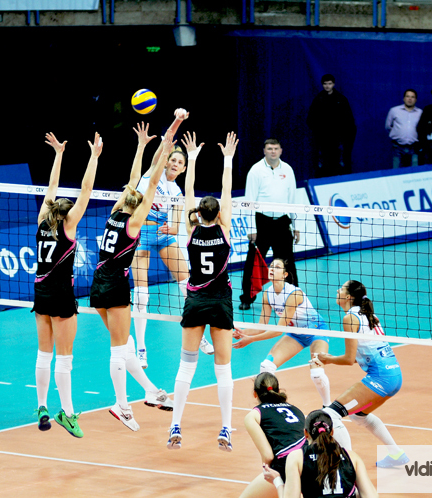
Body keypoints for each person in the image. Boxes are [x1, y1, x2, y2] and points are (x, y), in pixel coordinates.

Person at [90, 119, 180, 431]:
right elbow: (151, 183)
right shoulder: (134, 223)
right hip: (116, 284)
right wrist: (166, 144)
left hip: (98, 282)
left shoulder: (115, 212)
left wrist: (141, 147)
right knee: (119, 348)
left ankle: (151, 391)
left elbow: (134, 182)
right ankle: (122, 405)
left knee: (125, 342)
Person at [167, 131, 237, 451]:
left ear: (198, 213)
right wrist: (227, 159)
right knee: (223, 369)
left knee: (186, 366)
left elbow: (189, 191)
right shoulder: (225, 229)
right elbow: (226, 191)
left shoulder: (191, 230)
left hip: (195, 301)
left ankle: (175, 425)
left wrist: (192, 158)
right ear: (218, 214)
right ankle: (225, 429)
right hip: (220, 302)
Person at [32, 132, 101, 438]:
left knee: (43, 353)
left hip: (40, 291)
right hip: (61, 294)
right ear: (67, 214)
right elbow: (87, 189)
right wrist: (94, 157)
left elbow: (51, 188)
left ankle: (41, 406)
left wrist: (58, 154)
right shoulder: (69, 227)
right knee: (65, 357)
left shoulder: (42, 221)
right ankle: (67, 413)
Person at [132, 113, 213, 369]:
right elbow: (166, 142)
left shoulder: (176, 191)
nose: (176, 164)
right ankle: (141, 348)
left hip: (163, 236)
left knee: (189, 286)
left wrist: (173, 226)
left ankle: (197, 333)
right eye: (173, 160)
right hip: (141, 235)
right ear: (166, 161)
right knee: (141, 295)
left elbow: (178, 223)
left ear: (184, 168)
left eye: (180, 162)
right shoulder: (151, 175)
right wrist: (178, 120)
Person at [312, 280, 408, 468]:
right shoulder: (368, 314)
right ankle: (396, 453)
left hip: (381, 378)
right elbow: (361, 355)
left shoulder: (350, 318)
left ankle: (348, 466)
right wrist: (329, 358)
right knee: (358, 416)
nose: (337, 290)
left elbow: (349, 359)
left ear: (348, 297)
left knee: (330, 414)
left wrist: (327, 359)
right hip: (394, 376)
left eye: (341, 288)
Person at [233, 258, 331, 407]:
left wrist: (251, 339)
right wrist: (242, 333)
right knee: (266, 366)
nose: (272, 268)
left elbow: (279, 330)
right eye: (271, 266)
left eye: (277, 267)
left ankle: (327, 406)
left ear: (285, 274)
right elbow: (261, 326)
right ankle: (271, 406)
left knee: (317, 374)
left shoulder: (293, 294)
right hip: (295, 334)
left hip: (316, 331)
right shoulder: (267, 294)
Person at [239, 139, 299, 311]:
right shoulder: (256, 170)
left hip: (282, 222)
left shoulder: (288, 170)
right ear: (264, 151)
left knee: (288, 263)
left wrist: (296, 226)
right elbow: (249, 200)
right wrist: (251, 229)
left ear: (281, 150)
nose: (273, 151)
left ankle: (293, 296)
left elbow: (293, 199)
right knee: (253, 262)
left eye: (276, 148)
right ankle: (247, 298)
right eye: (270, 149)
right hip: (262, 223)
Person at [262, 410, 378, 498]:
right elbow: (371, 496)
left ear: (305, 433)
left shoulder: (297, 457)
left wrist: (278, 481)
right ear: (332, 432)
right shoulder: (352, 457)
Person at [239, 372, 306, 498]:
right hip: (309, 460)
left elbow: (268, 455)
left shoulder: (254, 415)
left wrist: (269, 474)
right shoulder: (296, 410)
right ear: (278, 391)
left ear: (255, 394)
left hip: (286, 465)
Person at [306, 74, 356, 177]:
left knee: (338, 163)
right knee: (324, 163)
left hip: (338, 140)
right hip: (322, 139)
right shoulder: (318, 99)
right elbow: (310, 119)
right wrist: (318, 131)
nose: (327, 86)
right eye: (325, 84)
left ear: (333, 84)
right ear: (322, 84)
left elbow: (348, 120)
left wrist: (343, 136)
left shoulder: (341, 99)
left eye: (329, 83)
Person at [385, 89, 422, 168]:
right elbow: (388, 126)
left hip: (414, 147)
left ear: (416, 100)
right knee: (396, 170)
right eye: (407, 96)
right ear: (403, 98)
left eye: (412, 97)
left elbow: (423, 129)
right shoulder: (394, 110)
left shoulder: (420, 112)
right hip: (397, 146)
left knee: (415, 171)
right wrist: (398, 135)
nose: (410, 99)